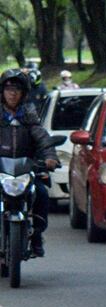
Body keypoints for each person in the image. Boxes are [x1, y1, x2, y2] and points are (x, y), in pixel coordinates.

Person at [0, 69, 57, 256]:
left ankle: (37, 235)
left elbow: (42, 137)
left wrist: (50, 157)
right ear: (2, 92)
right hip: (1, 171)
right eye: (8, 88)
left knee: (40, 193)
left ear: (24, 93)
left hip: (26, 169)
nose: (12, 93)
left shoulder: (29, 115)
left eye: (17, 89)